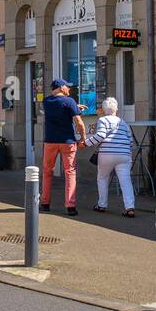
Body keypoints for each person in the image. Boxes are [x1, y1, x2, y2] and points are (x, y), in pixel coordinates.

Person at [40, 77, 86, 215]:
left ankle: (45, 203)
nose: (69, 89)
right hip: (68, 142)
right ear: (61, 87)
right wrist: (83, 137)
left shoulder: (46, 101)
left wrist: (75, 107)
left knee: (47, 172)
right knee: (70, 172)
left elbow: (58, 108)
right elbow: (78, 122)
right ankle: (70, 206)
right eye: (67, 86)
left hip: (50, 141)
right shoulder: (69, 101)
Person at [86, 96, 136, 216]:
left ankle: (102, 205)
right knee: (126, 181)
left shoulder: (103, 120)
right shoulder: (123, 122)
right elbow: (131, 141)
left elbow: (100, 136)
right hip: (124, 155)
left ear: (103, 110)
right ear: (116, 110)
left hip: (106, 154)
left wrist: (85, 143)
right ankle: (130, 208)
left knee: (102, 178)